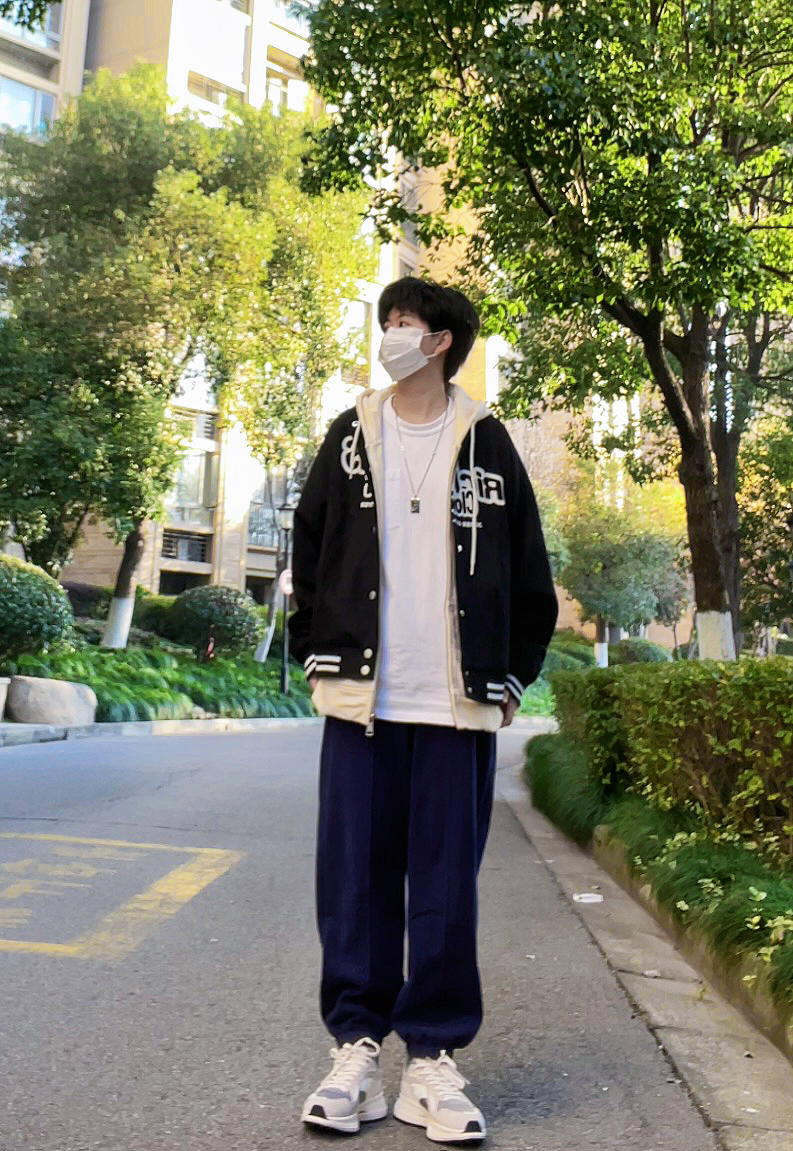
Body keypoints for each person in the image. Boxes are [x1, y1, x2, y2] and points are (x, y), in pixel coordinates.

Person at [288, 276, 558, 1142]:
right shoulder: (349, 435)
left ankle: (432, 1060)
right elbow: (308, 546)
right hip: (360, 699)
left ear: (441, 341)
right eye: (388, 322)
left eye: (403, 322)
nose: (390, 335)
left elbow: (529, 570)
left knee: (444, 890)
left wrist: (512, 674)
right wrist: (312, 645)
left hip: (455, 703)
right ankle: (356, 1052)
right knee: (354, 883)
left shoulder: (487, 441)